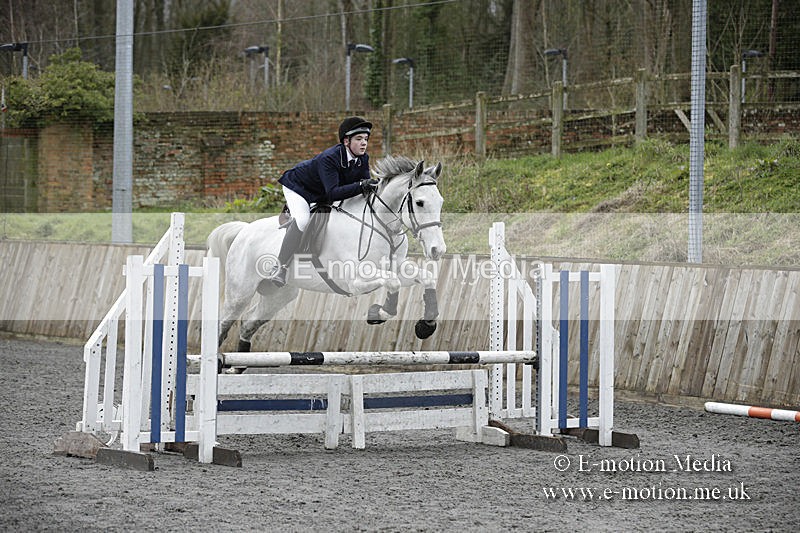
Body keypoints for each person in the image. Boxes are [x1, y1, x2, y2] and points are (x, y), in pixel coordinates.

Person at [271, 116, 379, 287]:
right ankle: (280, 266)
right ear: (346, 141)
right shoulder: (329, 158)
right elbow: (334, 193)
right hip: (300, 188)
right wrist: (361, 185)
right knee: (302, 220)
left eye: (366, 139)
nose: (364, 143)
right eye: (358, 139)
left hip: (322, 192)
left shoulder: (363, 158)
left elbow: (362, 190)